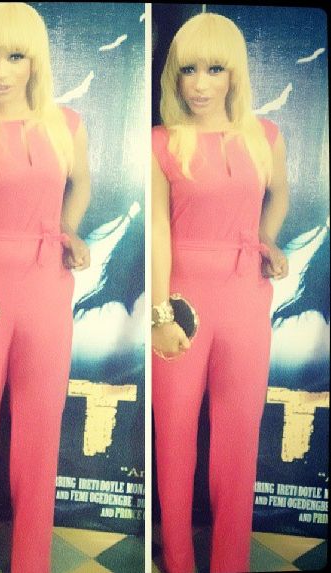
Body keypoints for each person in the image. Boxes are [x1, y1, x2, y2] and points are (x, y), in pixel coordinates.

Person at [0, 3, 90, 572]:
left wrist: (69, 229)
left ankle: (33, 561)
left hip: (47, 290)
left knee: (39, 434)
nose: (0, 71)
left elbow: (80, 185)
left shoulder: (67, 126)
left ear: (36, 62)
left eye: (14, 56)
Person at [151, 12, 289, 573]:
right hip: (180, 300)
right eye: (189, 70)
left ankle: (231, 562)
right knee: (175, 436)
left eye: (214, 69)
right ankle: (178, 560)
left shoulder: (266, 137)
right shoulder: (161, 143)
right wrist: (161, 313)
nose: (200, 84)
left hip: (245, 298)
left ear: (235, 74)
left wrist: (266, 239)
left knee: (237, 441)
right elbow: (157, 231)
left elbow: (279, 196)